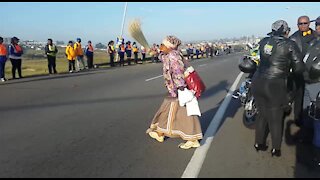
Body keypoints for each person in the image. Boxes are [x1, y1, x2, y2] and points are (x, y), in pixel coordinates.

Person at [251, 20, 305, 157]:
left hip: (258, 80)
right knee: (275, 117)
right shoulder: (289, 44)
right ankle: (276, 149)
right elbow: (299, 68)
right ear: (286, 31)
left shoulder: (264, 41)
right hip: (275, 83)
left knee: (262, 114)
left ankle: (259, 143)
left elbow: (258, 58)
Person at [146, 35, 203, 149]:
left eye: (162, 45)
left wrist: (180, 87)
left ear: (169, 46)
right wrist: (155, 52)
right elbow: (162, 57)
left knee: (181, 112)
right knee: (169, 109)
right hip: (173, 88)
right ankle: (160, 132)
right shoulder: (169, 54)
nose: (160, 47)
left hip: (177, 88)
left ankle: (191, 139)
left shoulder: (173, 56)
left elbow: (178, 71)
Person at [289, 16, 318, 127]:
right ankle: (299, 120)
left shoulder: (316, 35)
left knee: (313, 98)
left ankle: (313, 122)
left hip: (314, 72)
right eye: (300, 24)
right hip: (299, 72)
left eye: (305, 23)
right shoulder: (293, 38)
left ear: (309, 24)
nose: (302, 25)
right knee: (299, 98)